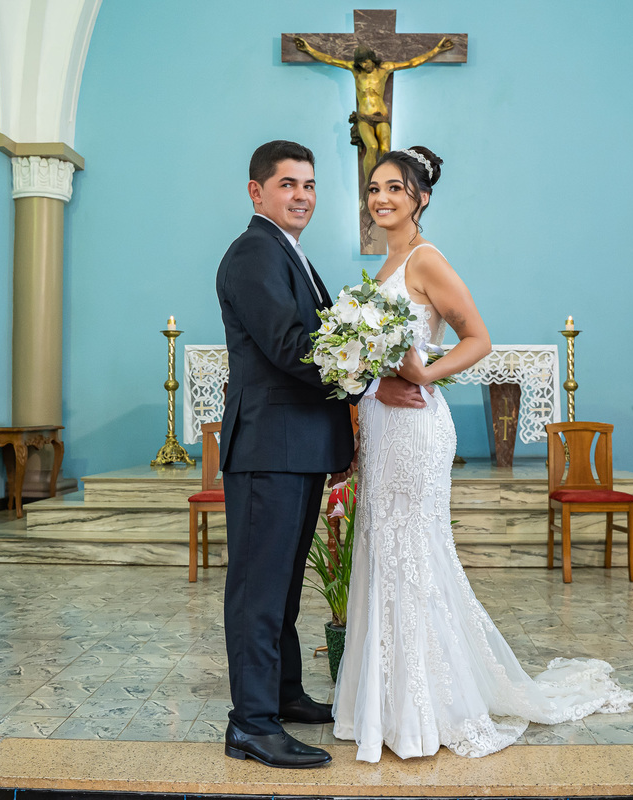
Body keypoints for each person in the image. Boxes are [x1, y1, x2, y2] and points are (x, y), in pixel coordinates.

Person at [331, 146, 633, 762]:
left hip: (416, 429)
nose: (381, 198)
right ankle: (386, 702)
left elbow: (480, 337)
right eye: (373, 188)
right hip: (382, 426)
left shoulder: (426, 260)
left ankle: (426, 706)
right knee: (382, 549)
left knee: (413, 553)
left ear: (421, 198)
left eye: (395, 188)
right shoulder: (388, 261)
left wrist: (426, 376)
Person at [215, 140, 425, 769]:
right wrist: (368, 382)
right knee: (258, 587)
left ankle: (279, 695)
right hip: (269, 450)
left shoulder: (289, 252)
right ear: (257, 192)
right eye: (287, 184)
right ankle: (250, 723)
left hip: (296, 446)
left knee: (278, 587)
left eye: (308, 184)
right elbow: (289, 344)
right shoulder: (254, 252)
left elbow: (318, 341)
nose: (301, 194)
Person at [292, 37, 453, 177]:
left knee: (385, 150)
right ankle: (371, 184)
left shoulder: (384, 69)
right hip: (364, 117)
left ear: (372, 59)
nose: (364, 65)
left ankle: (385, 179)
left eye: (366, 61)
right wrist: (308, 49)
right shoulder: (356, 72)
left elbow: (412, 62)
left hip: (381, 116)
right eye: (361, 62)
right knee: (372, 147)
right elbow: (329, 60)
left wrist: (437, 50)